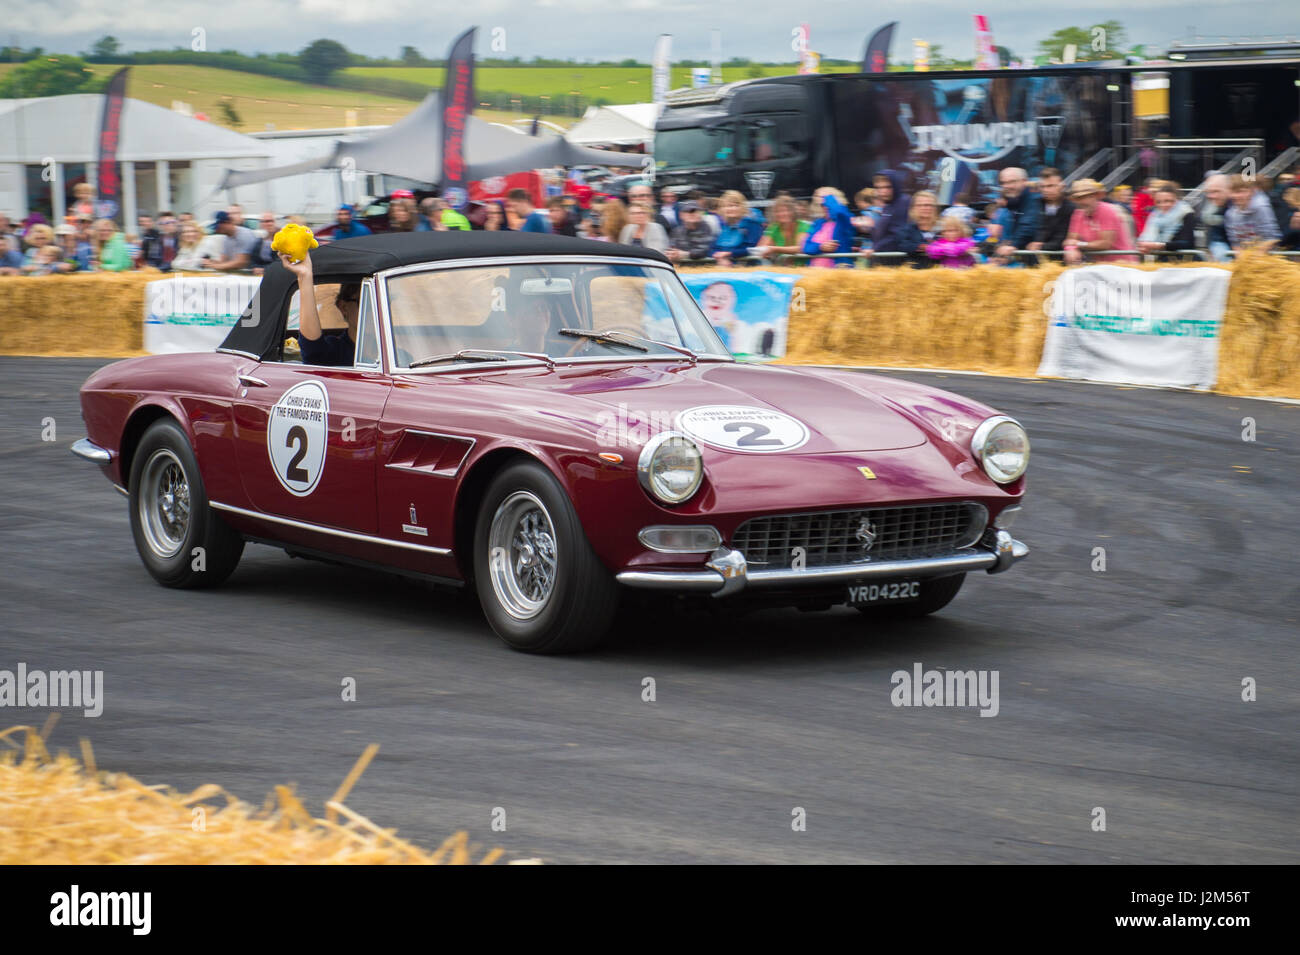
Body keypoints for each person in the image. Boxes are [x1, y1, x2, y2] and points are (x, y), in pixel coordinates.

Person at [281, 249, 359, 367]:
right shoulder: (336, 351)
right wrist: (304, 276)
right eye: (365, 301)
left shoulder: (395, 346)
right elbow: (313, 349)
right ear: (344, 307)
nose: (376, 311)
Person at [1063, 179, 1137, 264]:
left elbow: (1105, 244)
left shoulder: (1107, 210)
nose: (1082, 201)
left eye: (1086, 196)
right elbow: (1070, 241)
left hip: (1122, 265)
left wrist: (1078, 244)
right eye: (1078, 198)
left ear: (1095, 196)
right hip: (1099, 267)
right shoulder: (1078, 214)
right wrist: (1071, 249)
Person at [992, 167, 1041, 265]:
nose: (1006, 186)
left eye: (1011, 182)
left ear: (1024, 181)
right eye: (1003, 183)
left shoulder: (1033, 198)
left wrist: (1013, 246)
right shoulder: (1014, 201)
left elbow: (1028, 224)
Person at [802, 186, 856, 267]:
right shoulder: (818, 223)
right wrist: (821, 247)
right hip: (815, 272)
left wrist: (828, 196)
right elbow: (806, 248)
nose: (825, 207)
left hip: (839, 271)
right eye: (822, 205)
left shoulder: (844, 220)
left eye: (827, 204)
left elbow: (839, 212)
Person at [1224, 174, 1281, 251]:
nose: (1235, 196)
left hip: (1266, 256)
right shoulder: (1230, 214)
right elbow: (1235, 242)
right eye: (1232, 192)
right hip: (1247, 256)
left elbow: (1271, 238)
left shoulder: (1261, 208)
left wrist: (1253, 257)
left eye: (1240, 192)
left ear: (1251, 191)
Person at [1137, 183, 1195, 256]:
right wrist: (1144, 246)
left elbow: (1187, 243)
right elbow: (1146, 237)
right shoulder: (1154, 216)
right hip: (1159, 260)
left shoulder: (1185, 213)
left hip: (1181, 262)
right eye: (1158, 202)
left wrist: (1158, 245)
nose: (1163, 205)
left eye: (1168, 201)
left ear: (1176, 199)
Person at [1027, 167, 1074, 255]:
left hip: (1059, 259)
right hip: (1032, 258)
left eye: (1050, 186)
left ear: (1062, 186)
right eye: (1043, 186)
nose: (1046, 190)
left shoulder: (1070, 208)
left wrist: (1040, 246)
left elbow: (1063, 237)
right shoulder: (1034, 204)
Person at [866, 169, 911, 261]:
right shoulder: (888, 205)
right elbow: (883, 233)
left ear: (895, 185)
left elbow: (898, 234)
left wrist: (875, 249)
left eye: (887, 187)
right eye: (878, 188)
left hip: (895, 263)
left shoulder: (903, 202)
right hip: (883, 261)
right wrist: (869, 228)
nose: (883, 191)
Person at [710, 190, 764, 266]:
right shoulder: (722, 226)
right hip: (722, 266)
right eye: (728, 206)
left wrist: (729, 254)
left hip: (747, 267)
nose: (731, 209)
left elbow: (752, 249)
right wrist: (719, 257)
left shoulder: (752, 224)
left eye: (735, 205)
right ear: (722, 209)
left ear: (742, 208)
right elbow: (712, 248)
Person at [753, 195, 809, 261]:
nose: (782, 214)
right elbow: (760, 248)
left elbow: (801, 249)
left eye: (786, 210)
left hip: (805, 267)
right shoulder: (774, 228)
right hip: (781, 268)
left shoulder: (803, 226)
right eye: (778, 211)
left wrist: (774, 249)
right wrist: (764, 251)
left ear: (793, 211)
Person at [900, 190, 942, 267]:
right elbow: (902, 245)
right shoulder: (907, 229)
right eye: (920, 205)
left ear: (935, 208)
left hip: (939, 271)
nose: (924, 208)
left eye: (928, 205)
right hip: (915, 273)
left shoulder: (943, 229)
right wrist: (920, 246)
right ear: (913, 208)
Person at [1199, 174, 1232, 262]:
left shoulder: (1240, 206)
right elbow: (1216, 238)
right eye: (1208, 192)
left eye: (1216, 191)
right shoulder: (1215, 206)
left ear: (1229, 190)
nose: (1211, 196)